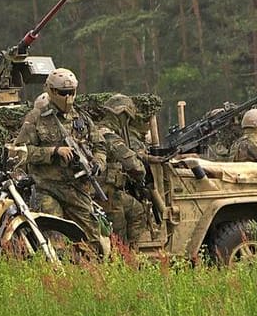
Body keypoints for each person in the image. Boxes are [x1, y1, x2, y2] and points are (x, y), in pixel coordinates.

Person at [13, 68, 120, 233]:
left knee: (93, 238)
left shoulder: (82, 118)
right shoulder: (36, 117)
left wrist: (98, 163)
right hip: (47, 188)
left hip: (77, 189)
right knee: (55, 237)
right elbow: (19, 152)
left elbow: (100, 145)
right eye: (63, 93)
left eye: (71, 92)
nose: (68, 97)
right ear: (52, 91)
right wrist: (54, 151)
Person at [95, 93, 158, 243]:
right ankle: (122, 259)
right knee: (118, 233)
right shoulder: (107, 134)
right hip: (105, 193)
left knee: (137, 211)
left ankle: (133, 253)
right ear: (122, 114)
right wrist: (141, 174)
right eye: (127, 117)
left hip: (113, 191)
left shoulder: (107, 131)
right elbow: (131, 163)